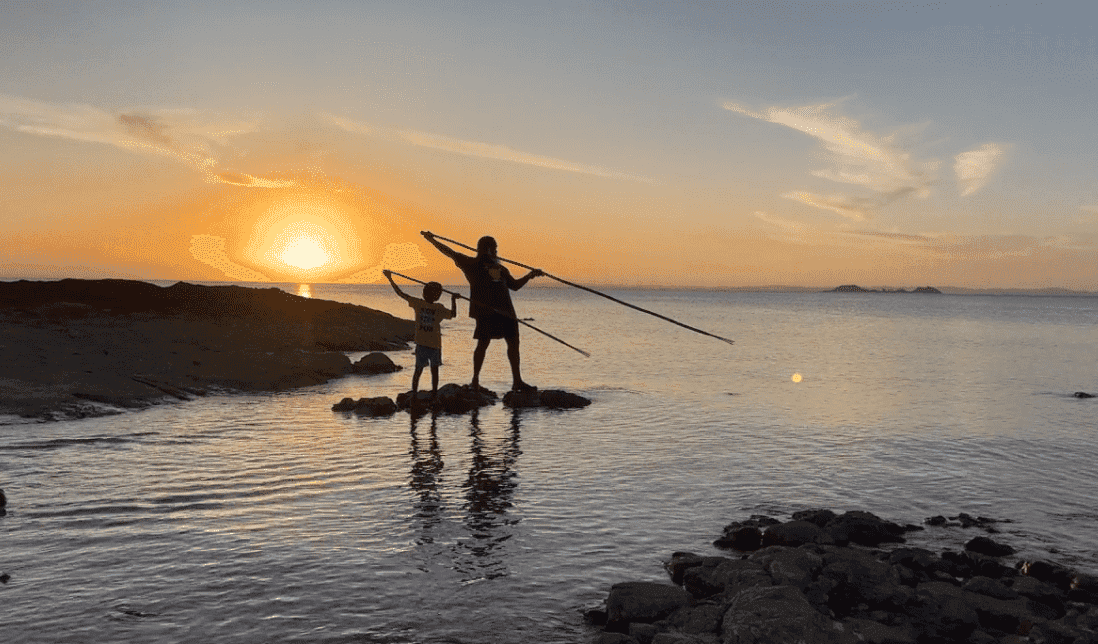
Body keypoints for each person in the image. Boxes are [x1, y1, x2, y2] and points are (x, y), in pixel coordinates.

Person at [421, 231, 544, 392]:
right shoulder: (472, 265)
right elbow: (450, 253)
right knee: (483, 344)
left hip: (507, 312)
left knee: (514, 344)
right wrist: (432, 240)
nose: (497, 252)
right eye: (495, 248)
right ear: (487, 249)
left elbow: (514, 286)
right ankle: (475, 380)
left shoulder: (500, 268)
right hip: (486, 312)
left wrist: (530, 275)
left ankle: (517, 381)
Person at [384, 270, 458, 397]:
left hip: (428, 345)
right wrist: (453, 300)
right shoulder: (432, 306)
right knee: (428, 371)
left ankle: (420, 393)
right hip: (430, 345)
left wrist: (390, 279)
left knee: (423, 371)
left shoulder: (423, 304)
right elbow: (453, 314)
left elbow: (401, 293)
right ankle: (425, 393)